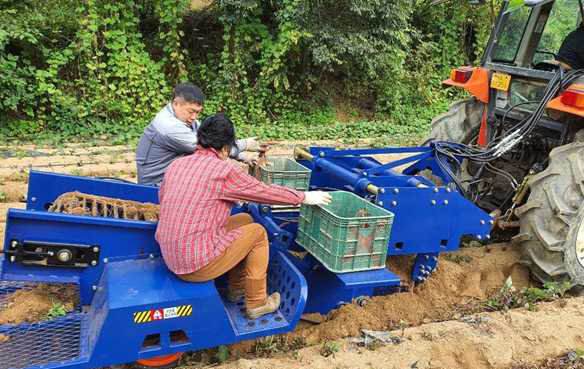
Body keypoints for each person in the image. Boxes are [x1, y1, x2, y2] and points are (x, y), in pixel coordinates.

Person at [155, 114, 332, 319]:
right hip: (194, 265)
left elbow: (165, 198)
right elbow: (264, 192)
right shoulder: (224, 170)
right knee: (257, 233)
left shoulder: (177, 164)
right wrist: (304, 197)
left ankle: (237, 289)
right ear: (227, 148)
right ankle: (257, 303)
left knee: (245, 221)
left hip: (171, 254)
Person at [136, 83, 260, 186]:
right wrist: (243, 145)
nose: (194, 117)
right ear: (175, 104)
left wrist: (239, 154)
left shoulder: (183, 117)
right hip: (156, 185)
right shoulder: (169, 127)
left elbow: (209, 137)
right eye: (191, 112)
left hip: (173, 174)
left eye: (198, 112)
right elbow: (208, 147)